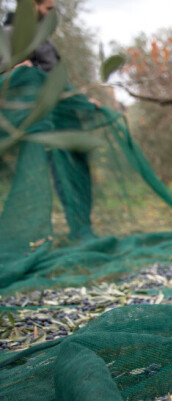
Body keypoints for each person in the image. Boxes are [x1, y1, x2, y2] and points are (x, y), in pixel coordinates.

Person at [4, 0, 97, 241]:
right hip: (34, 124)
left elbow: (56, 80)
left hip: (59, 122)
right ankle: (25, 240)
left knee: (72, 172)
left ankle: (80, 228)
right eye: (47, 8)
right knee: (36, 177)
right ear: (32, 5)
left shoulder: (45, 42)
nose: (50, 14)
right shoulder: (10, 34)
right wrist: (14, 69)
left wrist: (82, 99)